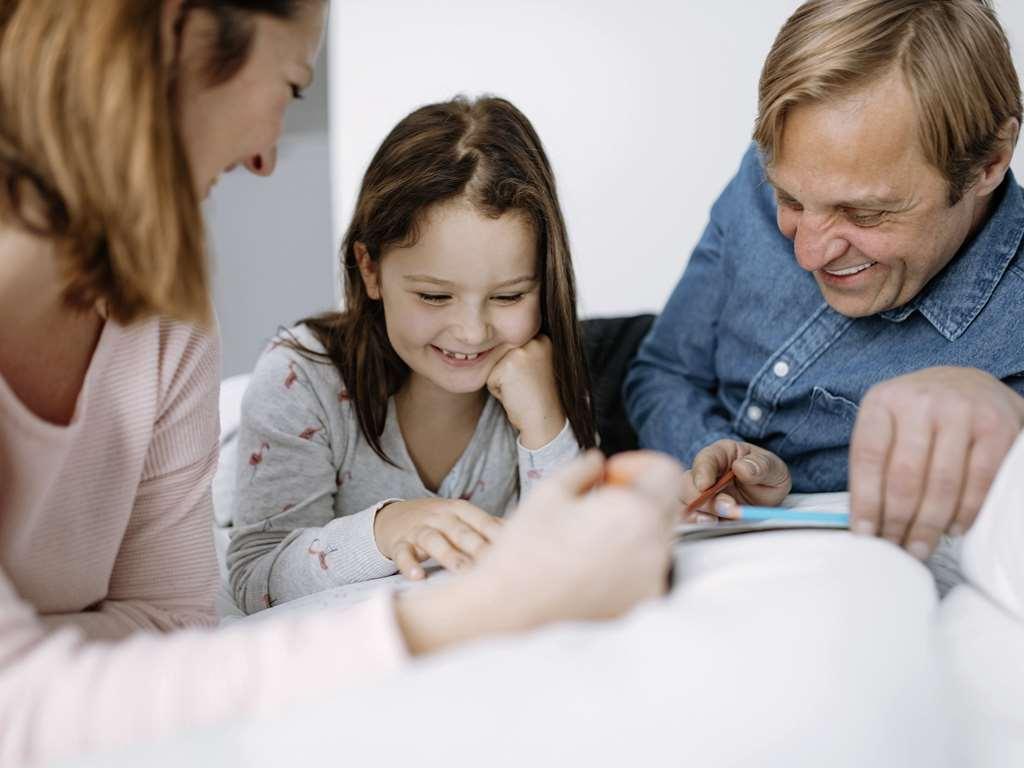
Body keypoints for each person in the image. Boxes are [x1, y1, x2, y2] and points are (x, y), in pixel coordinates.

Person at [0, 1, 682, 765]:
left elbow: (170, 625)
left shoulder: (170, 322)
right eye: (292, 87)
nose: (266, 159)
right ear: (181, 33)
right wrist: (464, 586)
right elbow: (235, 582)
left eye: (504, 296)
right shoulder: (301, 373)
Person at [626, 0, 1024, 559]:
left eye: (865, 214)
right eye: (789, 199)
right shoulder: (770, 169)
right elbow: (663, 372)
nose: (809, 253)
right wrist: (709, 454)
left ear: (990, 162)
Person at [228, 97, 595, 612]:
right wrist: (387, 528)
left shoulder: (539, 375)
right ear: (370, 270)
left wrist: (544, 425)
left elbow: (577, 557)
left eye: (509, 296)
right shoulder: (298, 379)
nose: (471, 332)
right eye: (434, 296)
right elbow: (253, 578)